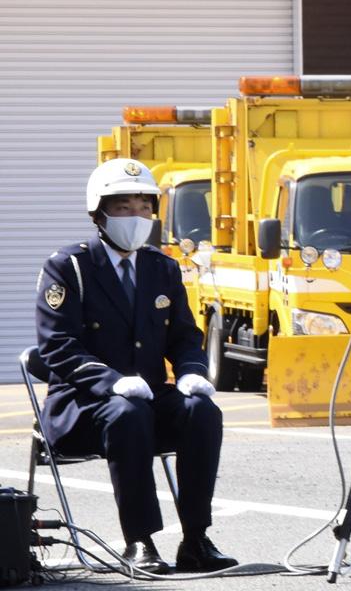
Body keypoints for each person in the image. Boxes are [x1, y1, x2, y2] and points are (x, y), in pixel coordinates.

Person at [35, 158, 238, 574]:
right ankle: (140, 541)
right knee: (126, 413)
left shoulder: (161, 267)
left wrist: (192, 371)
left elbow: (184, 335)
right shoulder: (69, 267)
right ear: (99, 213)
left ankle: (196, 538)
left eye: (144, 207)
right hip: (84, 405)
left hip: (147, 400)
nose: (136, 217)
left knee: (201, 412)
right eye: (124, 207)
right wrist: (111, 381)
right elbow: (56, 345)